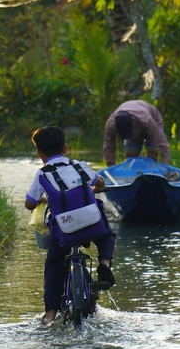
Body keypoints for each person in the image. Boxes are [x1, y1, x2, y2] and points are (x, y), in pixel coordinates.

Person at [25, 126, 116, 325]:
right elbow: (99, 182)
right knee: (107, 235)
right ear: (65, 148)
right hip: (93, 224)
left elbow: (29, 203)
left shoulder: (42, 175)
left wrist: (43, 199)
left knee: (54, 263)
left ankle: (50, 313)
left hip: (64, 230)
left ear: (40, 154)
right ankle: (104, 264)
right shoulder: (79, 166)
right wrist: (93, 188)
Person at [102, 100, 170, 167]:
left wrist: (165, 164)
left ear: (133, 122)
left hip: (153, 120)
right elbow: (108, 147)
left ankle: (152, 172)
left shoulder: (147, 121)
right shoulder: (111, 124)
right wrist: (111, 167)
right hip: (137, 121)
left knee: (152, 152)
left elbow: (162, 142)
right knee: (130, 155)